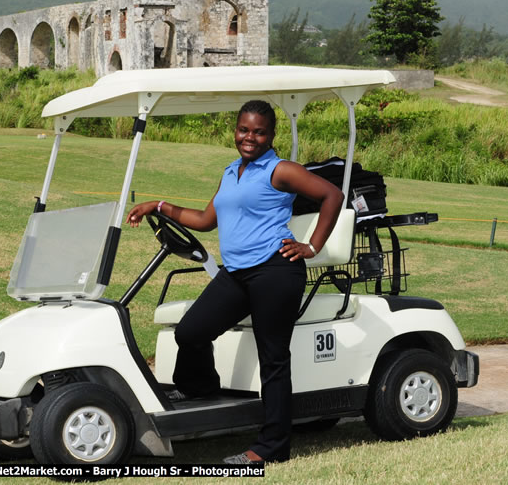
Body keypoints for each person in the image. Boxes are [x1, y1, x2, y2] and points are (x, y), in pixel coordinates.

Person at [126, 99, 344, 464]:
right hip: (238, 273)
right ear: (235, 131)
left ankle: (271, 448)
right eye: (244, 130)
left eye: (259, 132)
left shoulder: (280, 170)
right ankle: (201, 389)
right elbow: (205, 219)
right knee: (191, 332)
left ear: (271, 135)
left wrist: (312, 246)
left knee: (273, 359)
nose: (250, 138)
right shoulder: (231, 172)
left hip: (276, 271)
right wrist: (158, 205)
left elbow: (331, 195)